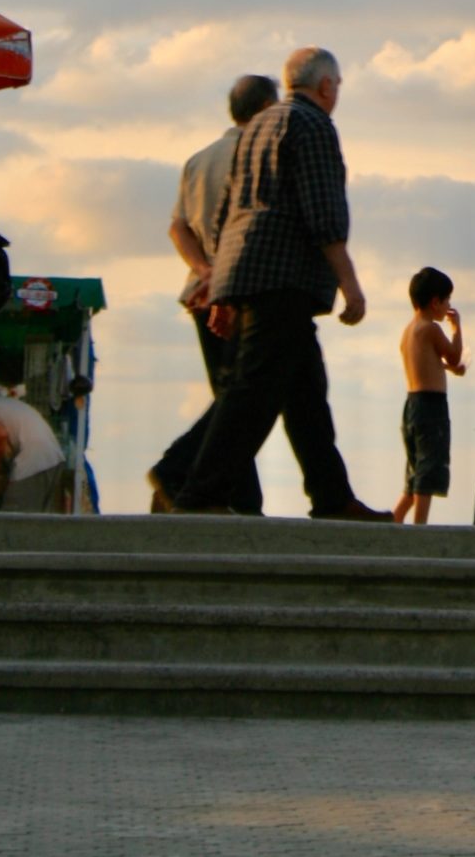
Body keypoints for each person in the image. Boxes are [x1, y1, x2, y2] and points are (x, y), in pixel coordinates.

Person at [173, 47, 386, 521]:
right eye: (339, 86)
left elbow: (228, 211)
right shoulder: (312, 125)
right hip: (284, 276)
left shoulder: (258, 127)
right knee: (253, 390)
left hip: (247, 271)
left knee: (305, 390)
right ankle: (194, 488)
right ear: (327, 86)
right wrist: (350, 284)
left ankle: (332, 495)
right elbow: (324, 212)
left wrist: (225, 288)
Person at [149, 72, 279, 513]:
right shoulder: (259, 156)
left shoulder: (199, 159)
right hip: (243, 292)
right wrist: (222, 275)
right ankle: (177, 468)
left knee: (233, 396)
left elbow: (177, 225)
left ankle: (243, 500)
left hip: (199, 293)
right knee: (240, 399)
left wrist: (203, 269)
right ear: (264, 109)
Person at [395, 266, 464, 525]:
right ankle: (419, 527)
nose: (448, 306)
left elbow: (431, 362)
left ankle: (395, 520)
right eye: (447, 300)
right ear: (436, 302)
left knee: (414, 472)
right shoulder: (431, 329)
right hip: (431, 405)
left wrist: (450, 368)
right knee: (428, 468)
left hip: (412, 405)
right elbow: (454, 354)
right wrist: (456, 329)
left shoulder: (409, 331)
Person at [0, 362, 66, 512]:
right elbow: (6, 442)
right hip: (53, 458)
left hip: (34, 461)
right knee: (31, 524)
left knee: (12, 523)